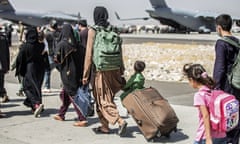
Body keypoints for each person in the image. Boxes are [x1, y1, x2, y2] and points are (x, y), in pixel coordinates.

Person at [82, 6, 127, 135]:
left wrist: (85, 74)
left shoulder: (93, 30)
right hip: (115, 68)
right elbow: (120, 50)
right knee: (107, 97)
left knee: (102, 99)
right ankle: (104, 127)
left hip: (100, 70)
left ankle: (119, 121)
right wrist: (121, 68)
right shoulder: (113, 29)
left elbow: (89, 54)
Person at [183, 63, 227, 144]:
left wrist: (208, 138)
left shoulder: (200, 95)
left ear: (192, 80)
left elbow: (205, 116)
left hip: (205, 136)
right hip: (221, 134)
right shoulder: (214, 92)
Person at [213, 14, 240, 144]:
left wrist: (215, 87)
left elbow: (220, 68)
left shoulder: (221, 43)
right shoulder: (237, 41)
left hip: (227, 85)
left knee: (226, 115)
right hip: (237, 83)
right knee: (236, 113)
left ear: (219, 28)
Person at [53, 24, 87, 127]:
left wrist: (61, 69)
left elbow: (56, 60)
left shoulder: (62, 45)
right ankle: (61, 114)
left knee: (72, 95)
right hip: (76, 74)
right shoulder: (77, 45)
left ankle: (82, 118)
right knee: (65, 94)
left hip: (67, 74)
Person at [15, 27, 45, 117]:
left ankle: (36, 104)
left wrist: (20, 69)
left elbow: (20, 59)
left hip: (30, 68)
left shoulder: (26, 46)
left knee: (27, 87)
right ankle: (34, 105)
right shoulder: (41, 45)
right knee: (36, 87)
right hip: (40, 68)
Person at [42, 20, 60, 93]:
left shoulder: (48, 34)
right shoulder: (59, 33)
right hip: (58, 53)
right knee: (61, 70)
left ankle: (47, 86)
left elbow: (42, 39)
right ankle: (64, 86)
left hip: (51, 54)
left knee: (47, 70)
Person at [0, 25, 10, 103]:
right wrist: (7, 66)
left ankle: (3, 94)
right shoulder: (4, 38)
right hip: (2, 65)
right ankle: (3, 94)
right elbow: (7, 54)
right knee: (1, 81)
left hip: (2, 65)